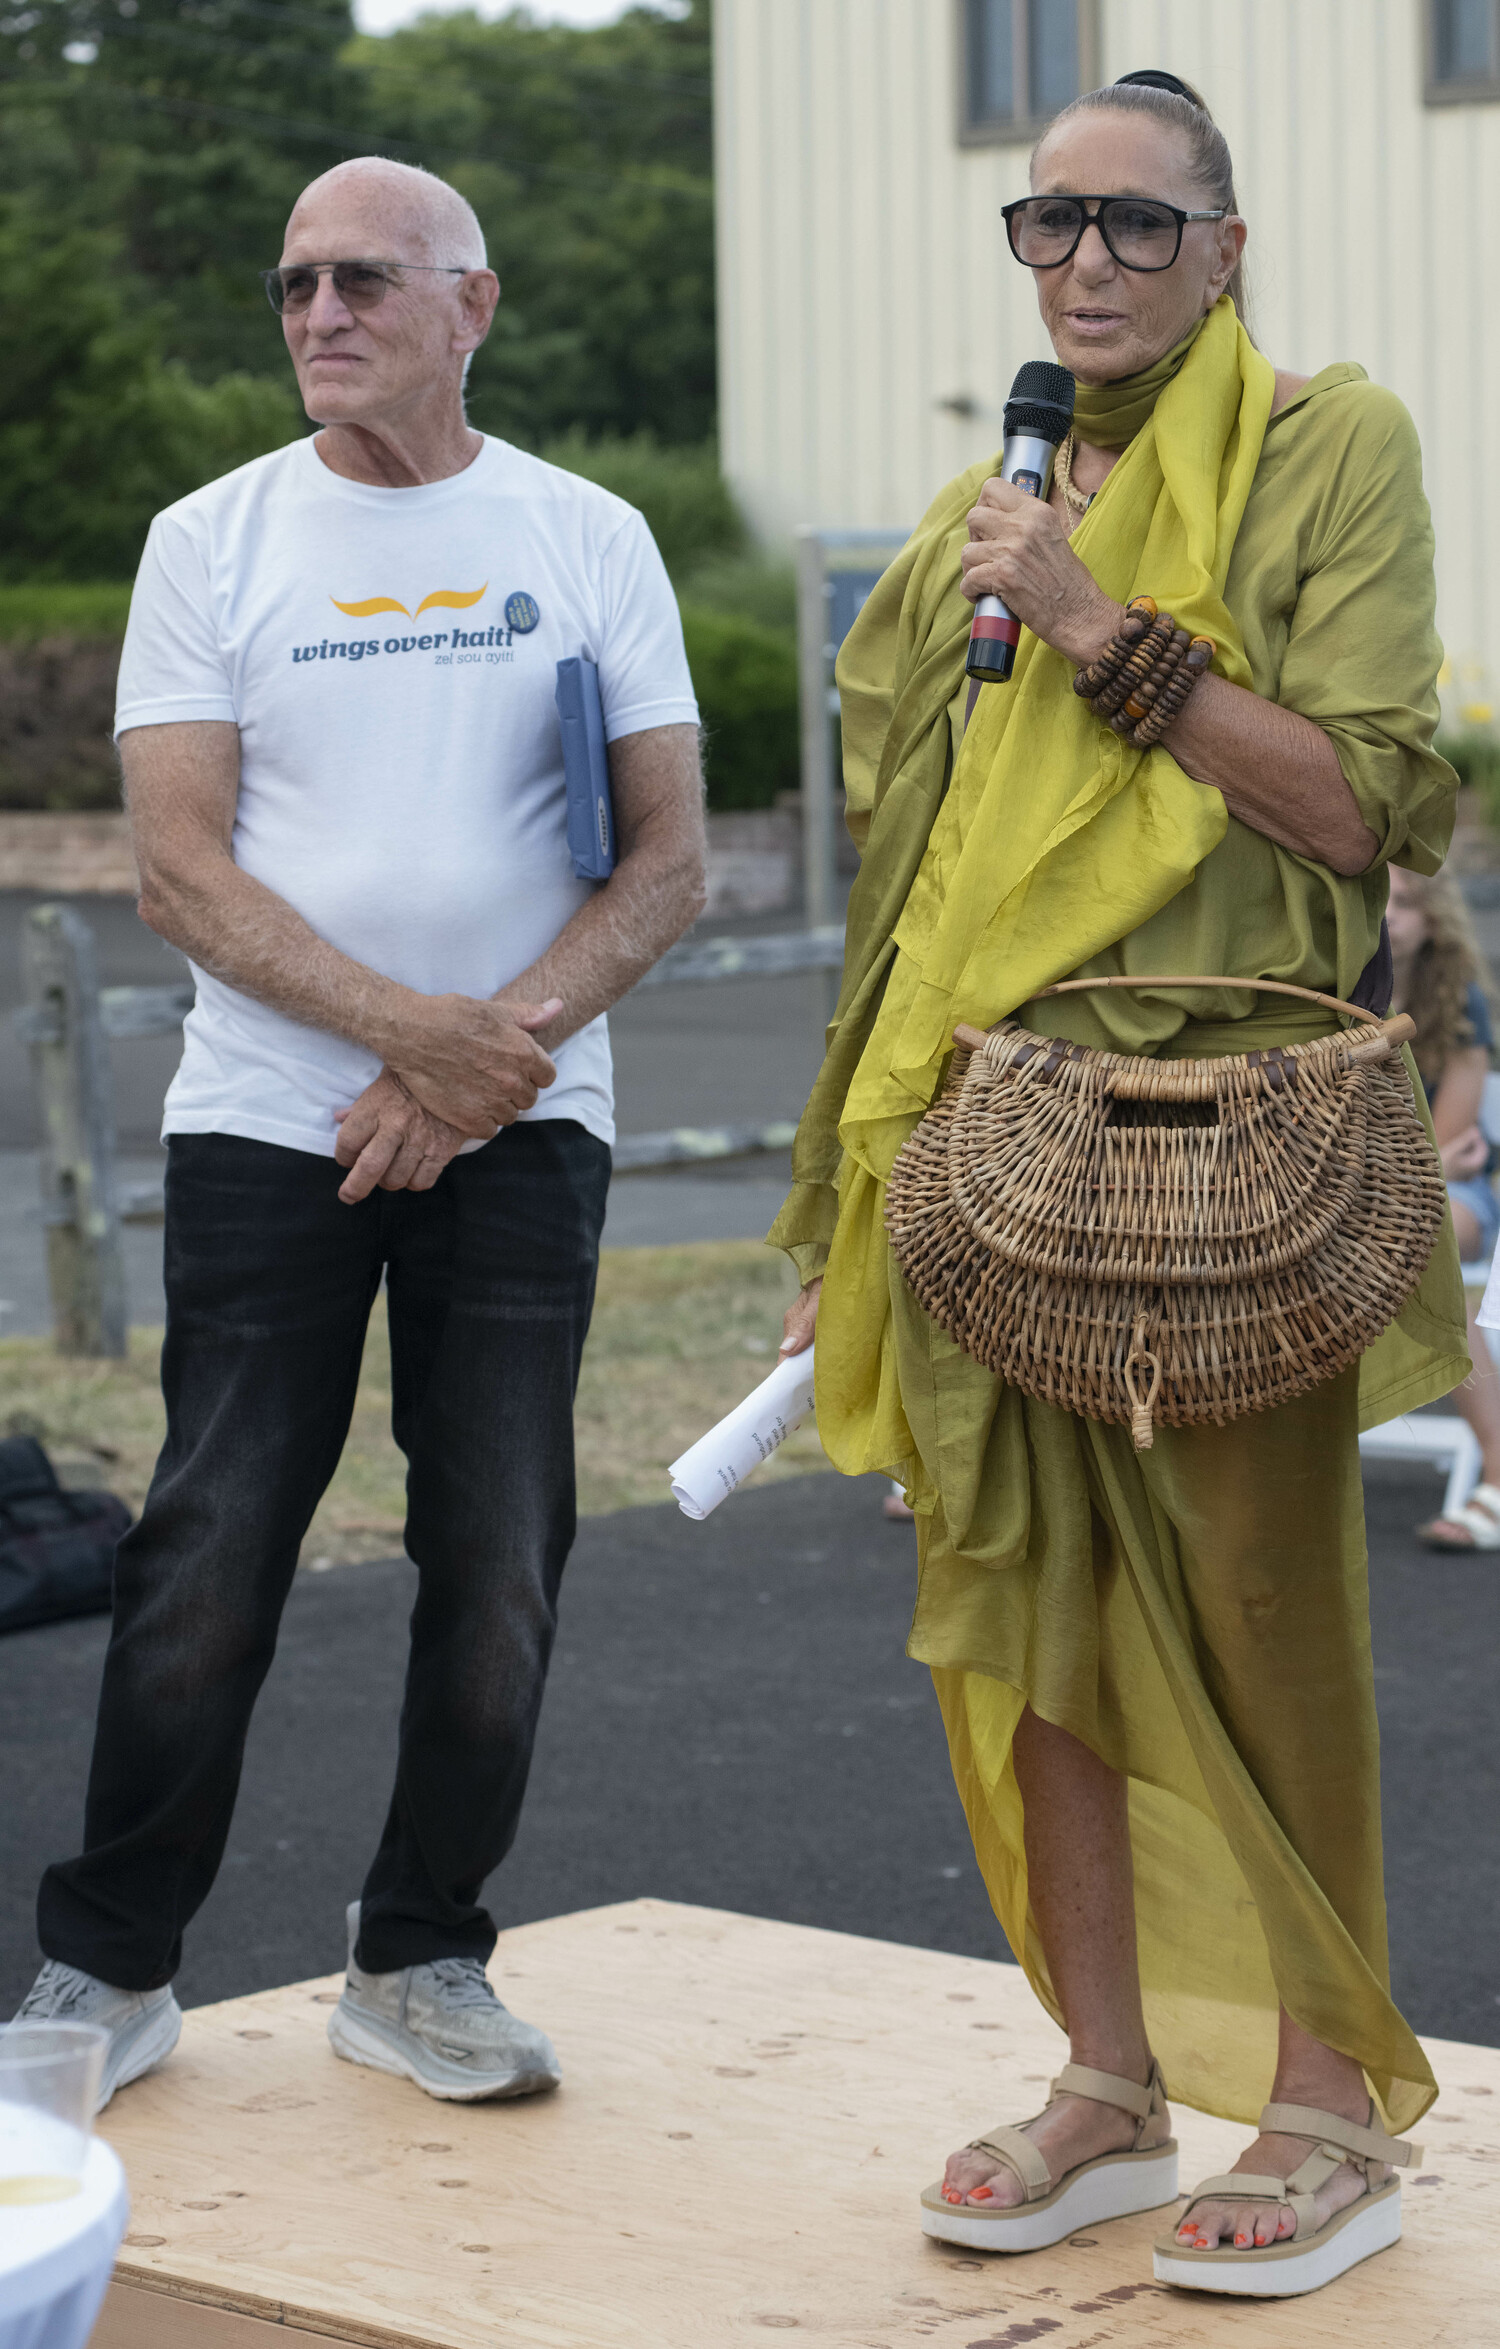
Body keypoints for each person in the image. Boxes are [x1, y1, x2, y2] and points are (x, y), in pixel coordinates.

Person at [774, 72, 1464, 2297]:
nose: (1084, 262)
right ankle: (1104, 2075)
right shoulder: (994, 500)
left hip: (1223, 1138)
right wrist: (834, 1214)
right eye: (1048, 222)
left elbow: (1364, 809)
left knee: (1266, 1616)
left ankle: (1327, 2101)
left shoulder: (1325, 447)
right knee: (1022, 1622)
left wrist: (1097, 625)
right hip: (984, 1143)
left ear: (1229, 251)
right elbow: (921, 883)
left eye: (1136, 227)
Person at [16, 158, 706, 2110]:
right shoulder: (209, 538)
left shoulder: (588, 535)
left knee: (500, 1551)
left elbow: (663, 864)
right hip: (266, 1119)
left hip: (529, 1120)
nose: (320, 311)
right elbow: (174, 865)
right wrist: (418, 1043)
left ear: (471, 305)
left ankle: (420, 1957)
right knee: (212, 1536)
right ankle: (107, 1969)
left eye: (364, 280)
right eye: (294, 281)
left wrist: (494, 1058)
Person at [1384, 865, 1500, 1546]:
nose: (1390, 915)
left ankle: (1498, 1469)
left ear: (1434, 920)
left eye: (1405, 903)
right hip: (1370, 1191)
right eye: (1381, 900)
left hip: (1448, 1195)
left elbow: (1451, 1141)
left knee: (1430, 1243)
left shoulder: (1460, 1001)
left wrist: (1394, 1169)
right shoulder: (1329, 995)